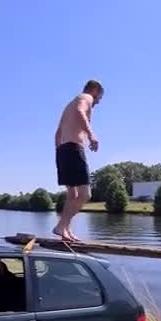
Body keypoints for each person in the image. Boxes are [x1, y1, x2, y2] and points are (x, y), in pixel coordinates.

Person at [54, 79, 104, 241]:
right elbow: (80, 112)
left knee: (72, 194)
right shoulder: (85, 98)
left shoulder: (68, 105)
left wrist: (59, 152)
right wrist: (91, 135)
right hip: (73, 148)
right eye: (99, 98)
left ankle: (65, 230)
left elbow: (57, 133)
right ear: (95, 90)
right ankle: (60, 226)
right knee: (85, 194)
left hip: (63, 150)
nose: (98, 102)